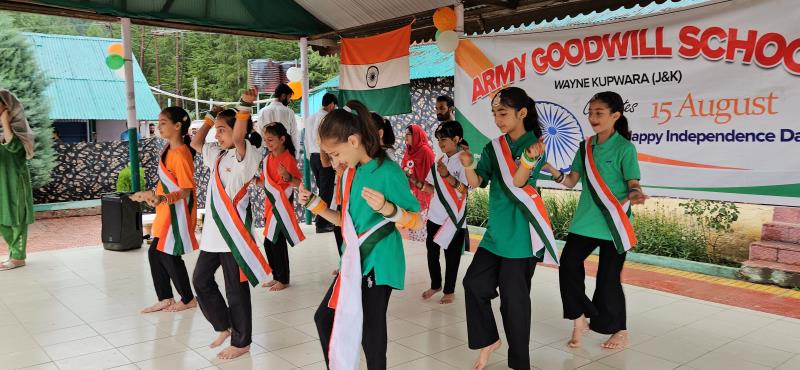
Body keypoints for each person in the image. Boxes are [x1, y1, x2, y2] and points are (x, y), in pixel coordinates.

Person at [299, 100, 422, 370]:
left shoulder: (388, 172)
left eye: (335, 153)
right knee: (325, 318)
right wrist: (314, 205)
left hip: (380, 262)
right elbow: (346, 224)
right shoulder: (349, 174)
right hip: (354, 262)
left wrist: (388, 209)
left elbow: (416, 220)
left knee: (371, 331)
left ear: (353, 141)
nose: (333, 161)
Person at [460, 87, 559, 370]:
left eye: (502, 113)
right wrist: (468, 165)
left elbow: (518, 181)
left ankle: (519, 364)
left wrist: (527, 161)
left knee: (513, 305)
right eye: (494, 113)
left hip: (522, 238)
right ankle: (489, 339)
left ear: (522, 113)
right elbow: (477, 182)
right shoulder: (494, 147)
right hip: (495, 235)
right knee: (473, 284)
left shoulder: (535, 146)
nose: (497, 119)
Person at [539, 91, 647, 350]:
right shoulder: (584, 147)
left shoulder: (625, 148)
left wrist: (636, 194)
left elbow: (633, 183)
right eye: (590, 113)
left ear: (615, 116)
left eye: (599, 112)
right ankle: (580, 319)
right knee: (567, 266)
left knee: (608, 280)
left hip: (613, 224)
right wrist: (552, 170)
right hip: (585, 221)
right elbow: (571, 181)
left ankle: (619, 330)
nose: (593, 117)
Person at [190, 88, 270, 360]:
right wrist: (211, 120)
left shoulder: (247, 155)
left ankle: (242, 340)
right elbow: (196, 143)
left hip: (233, 235)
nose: (218, 136)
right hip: (213, 236)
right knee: (200, 281)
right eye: (218, 132)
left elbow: (237, 136)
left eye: (223, 131)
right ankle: (223, 325)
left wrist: (244, 105)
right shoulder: (219, 155)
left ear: (239, 130)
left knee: (236, 290)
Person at [130, 107, 199, 313]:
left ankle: (187, 298)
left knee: (167, 254)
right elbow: (167, 184)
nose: (158, 126)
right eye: (158, 123)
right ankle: (166, 297)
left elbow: (186, 191)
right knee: (156, 253)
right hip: (165, 209)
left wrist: (162, 198)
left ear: (177, 126)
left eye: (162, 123)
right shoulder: (168, 150)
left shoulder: (181, 155)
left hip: (177, 212)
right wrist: (152, 195)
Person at [420, 120, 469, 305]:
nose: (441, 143)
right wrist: (415, 182)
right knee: (431, 252)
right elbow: (432, 188)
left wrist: (447, 175)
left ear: (456, 139)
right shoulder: (439, 160)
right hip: (434, 215)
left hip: (453, 218)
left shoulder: (465, 159)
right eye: (439, 140)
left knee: (452, 256)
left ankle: (449, 290)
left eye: (445, 139)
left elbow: (465, 189)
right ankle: (436, 284)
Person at [260, 122, 303, 291]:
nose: (267, 143)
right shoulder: (268, 158)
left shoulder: (288, 158)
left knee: (277, 243)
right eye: (265, 140)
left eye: (271, 140)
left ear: (282, 139)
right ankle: (276, 276)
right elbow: (265, 181)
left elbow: (298, 182)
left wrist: (287, 177)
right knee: (269, 243)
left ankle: (283, 279)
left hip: (281, 207)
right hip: (269, 206)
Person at [0, 90, 34, 271]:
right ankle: (14, 252)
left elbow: (15, 148)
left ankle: (18, 257)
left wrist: (5, 122)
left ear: (7, 106)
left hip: (14, 182)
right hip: (1, 183)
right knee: (2, 219)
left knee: (17, 219)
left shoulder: (21, 130)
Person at [306, 93, 338, 233]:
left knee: (323, 190)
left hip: (313, 156)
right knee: (326, 192)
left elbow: (307, 139)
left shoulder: (312, 117)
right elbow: (321, 139)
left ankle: (320, 220)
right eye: (334, 106)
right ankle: (322, 223)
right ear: (331, 105)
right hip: (322, 156)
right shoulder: (325, 117)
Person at [402, 124, 435, 211]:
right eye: (405, 134)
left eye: (408, 134)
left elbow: (431, 177)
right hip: (411, 194)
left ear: (416, 135)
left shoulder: (425, 151)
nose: (405, 136)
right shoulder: (408, 151)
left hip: (424, 194)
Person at [257, 83, 298, 151]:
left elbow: (260, 134)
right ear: (283, 96)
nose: (289, 101)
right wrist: (295, 153)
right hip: (284, 149)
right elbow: (294, 134)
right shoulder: (289, 112)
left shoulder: (262, 112)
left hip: (268, 149)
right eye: (289, 97)